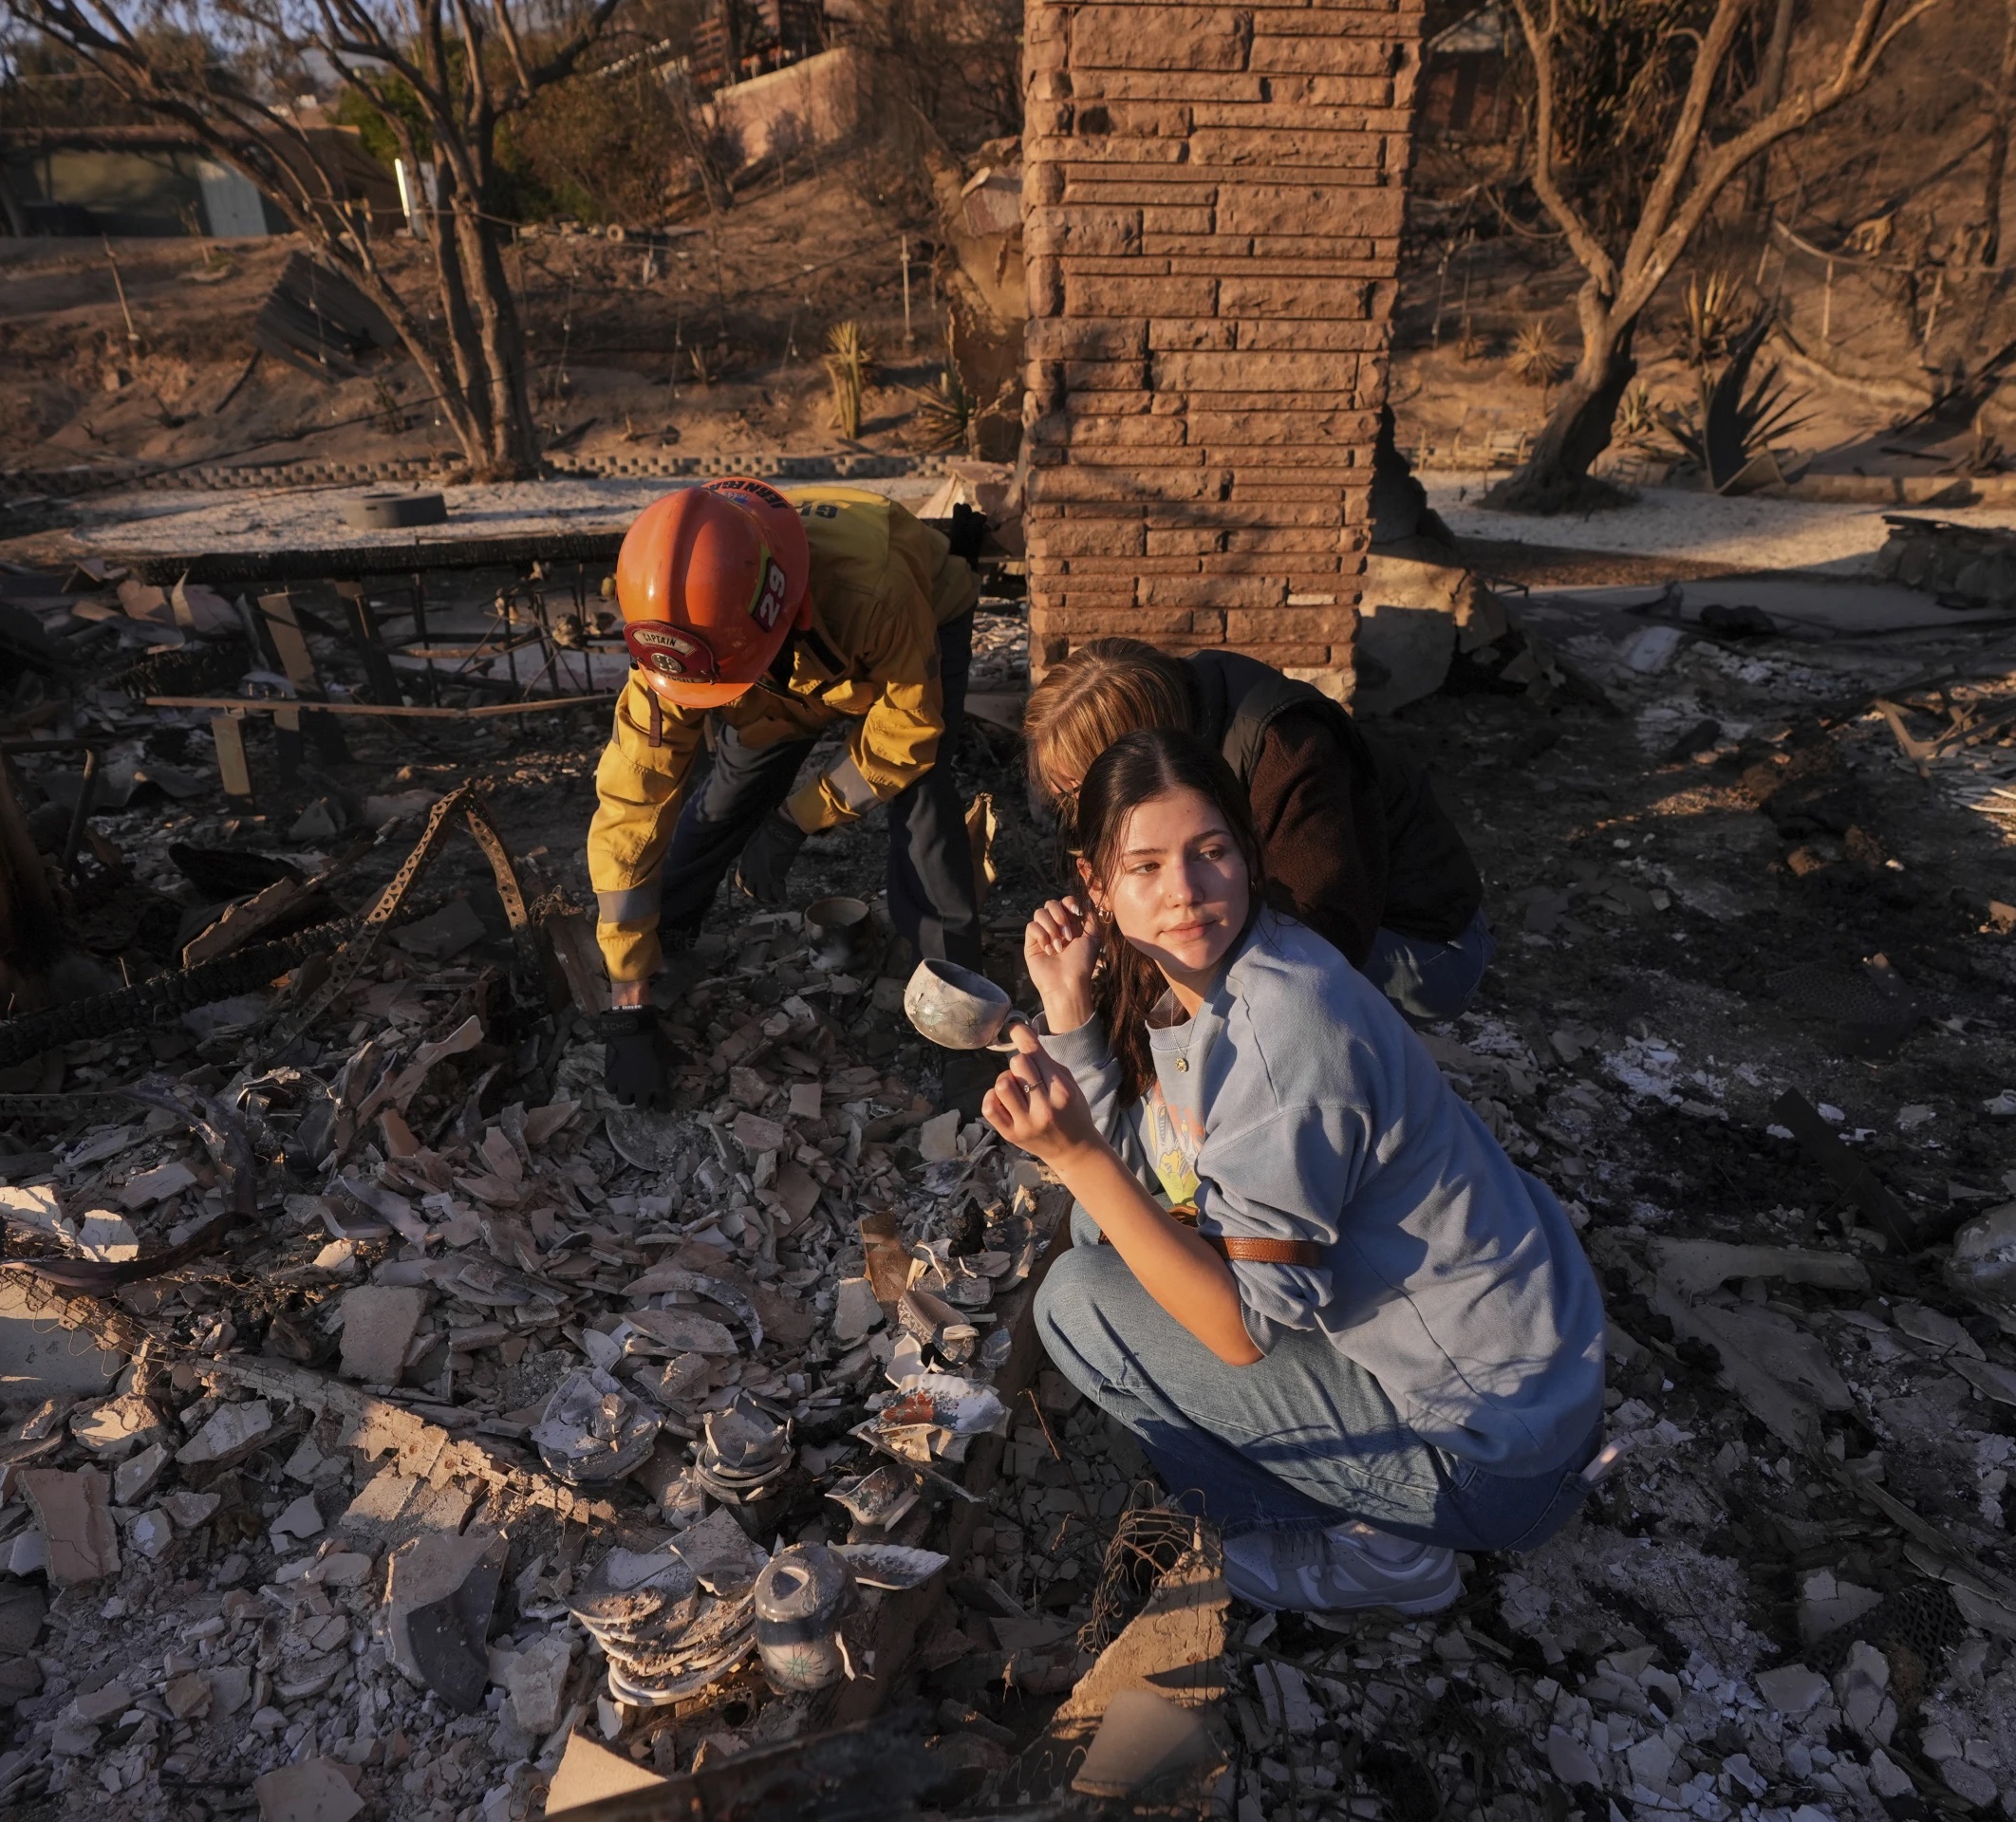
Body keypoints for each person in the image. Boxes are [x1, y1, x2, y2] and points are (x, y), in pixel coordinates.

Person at [980, 728, 1606, 1615]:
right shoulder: (1209, 974)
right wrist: (1070, 1011)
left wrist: (1075, 1153)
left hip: (1487, 1453)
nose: (1186, 893)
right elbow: (1158, 1178)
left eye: (1210, 853)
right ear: (1096, 885)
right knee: (1096, 1230)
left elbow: (1240, 1334)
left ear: (1247, 852)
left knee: (1077, 1305)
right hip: (1508, 1378)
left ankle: (1382, 1553)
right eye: (1146, 867)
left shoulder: (1285, 1034)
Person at [588, 479, 984, 1106]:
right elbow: (632, 806)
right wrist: (626, 999)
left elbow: (903, 740)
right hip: (761, 672)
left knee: (922, 805)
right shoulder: (673, 631)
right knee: (730, 790)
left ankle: (960, 1011)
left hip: (910, 629)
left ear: (785, 614)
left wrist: (797, 819)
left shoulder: (874, 589)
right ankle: (666, 940)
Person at [1022, 638, 1491, 1021]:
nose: (1080, 809)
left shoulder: (1289, 749)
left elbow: (1319, 941)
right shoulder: (1183, 716)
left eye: (1081, 789)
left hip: (1423, 946)